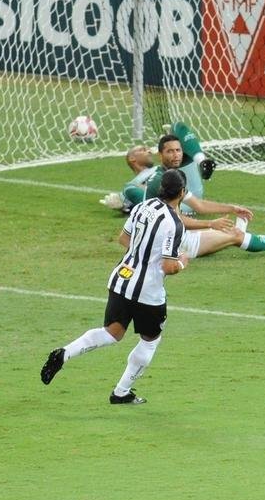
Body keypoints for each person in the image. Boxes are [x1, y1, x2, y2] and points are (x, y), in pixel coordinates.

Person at [40, 168, 190, 405]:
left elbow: (123, 238)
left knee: (112, 332)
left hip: (122, 279)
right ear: (182, 192)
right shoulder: (174, 223)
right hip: (148, 293)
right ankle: (121, 391)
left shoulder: (143, 206)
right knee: (151, 339)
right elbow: (169, 266)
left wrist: (140, 253)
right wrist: (182, 262)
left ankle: (65, 353)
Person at [106, 125, 265, 261]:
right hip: (178, 244)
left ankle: (258, 237)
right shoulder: (161, 181)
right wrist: (210, 223)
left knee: (228, 233)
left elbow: (199, 206)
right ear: (161, 155)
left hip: (174, 236)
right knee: (234, 235)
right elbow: (173, 220)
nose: (176, 155)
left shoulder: (170, 176)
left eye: (178, 150)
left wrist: (232, 208)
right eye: (170, 151)